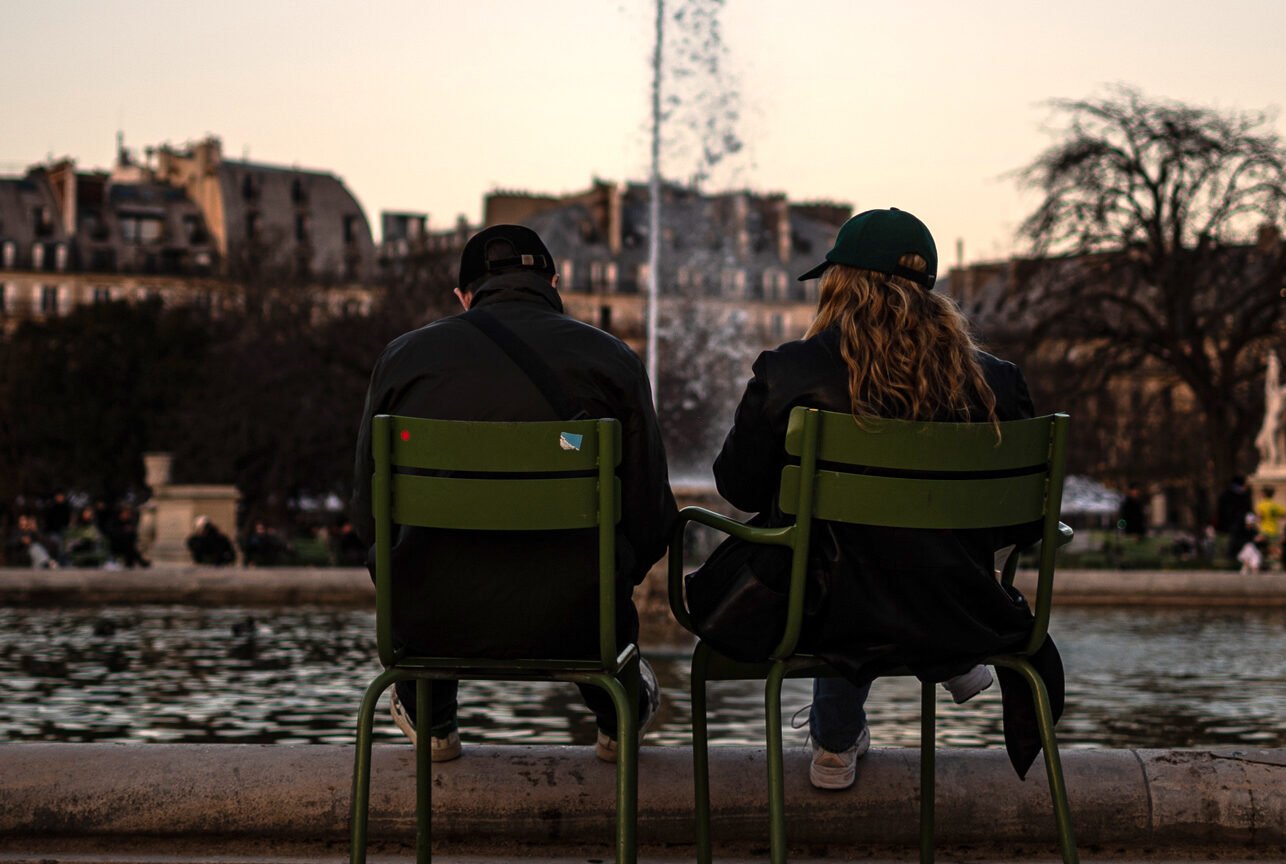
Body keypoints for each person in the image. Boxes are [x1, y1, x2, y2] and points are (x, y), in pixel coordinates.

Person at [686, 207, 1059, 790]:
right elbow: (1025, 522)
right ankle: (948, 657)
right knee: (881, 542)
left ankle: (835, 738)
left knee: (831, 542)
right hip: (955, 599)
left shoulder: (790, 371)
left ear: (840, 283)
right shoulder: (998, 382)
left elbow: (739, 488)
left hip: (820, 608)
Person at [352, 224, 676, 764]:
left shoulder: (403, 358)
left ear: (463, 296)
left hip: (434, 621)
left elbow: (367, 515)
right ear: (554, 282)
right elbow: (650, 514)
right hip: (579, 617)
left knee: (435, 581)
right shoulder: (612, 358)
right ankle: (616, 708)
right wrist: (610, 579)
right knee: (586, 600)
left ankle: (430, 713)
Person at [1217, 476, 1253, 565]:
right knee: (1234, 541)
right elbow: (1248, 510)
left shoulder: (1226, 494)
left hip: (1232, 523)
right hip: (1236, 523)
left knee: (1233, 541)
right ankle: (1233, 557)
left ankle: (1233, 558)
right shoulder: (1243, 495)